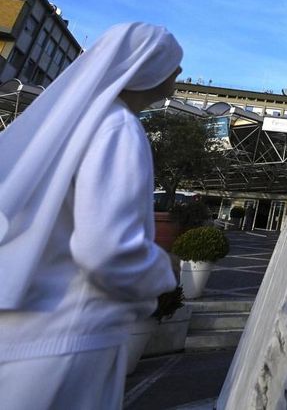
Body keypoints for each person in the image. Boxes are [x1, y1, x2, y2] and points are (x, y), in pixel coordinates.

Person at [0, 23, 183, 409]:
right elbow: (108, 250)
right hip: (71, 341)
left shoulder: (71, 124)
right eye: (173, 63)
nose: (179, 72)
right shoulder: (118, 125)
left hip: (26, 334)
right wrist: (164, 268)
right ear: (146, 68)